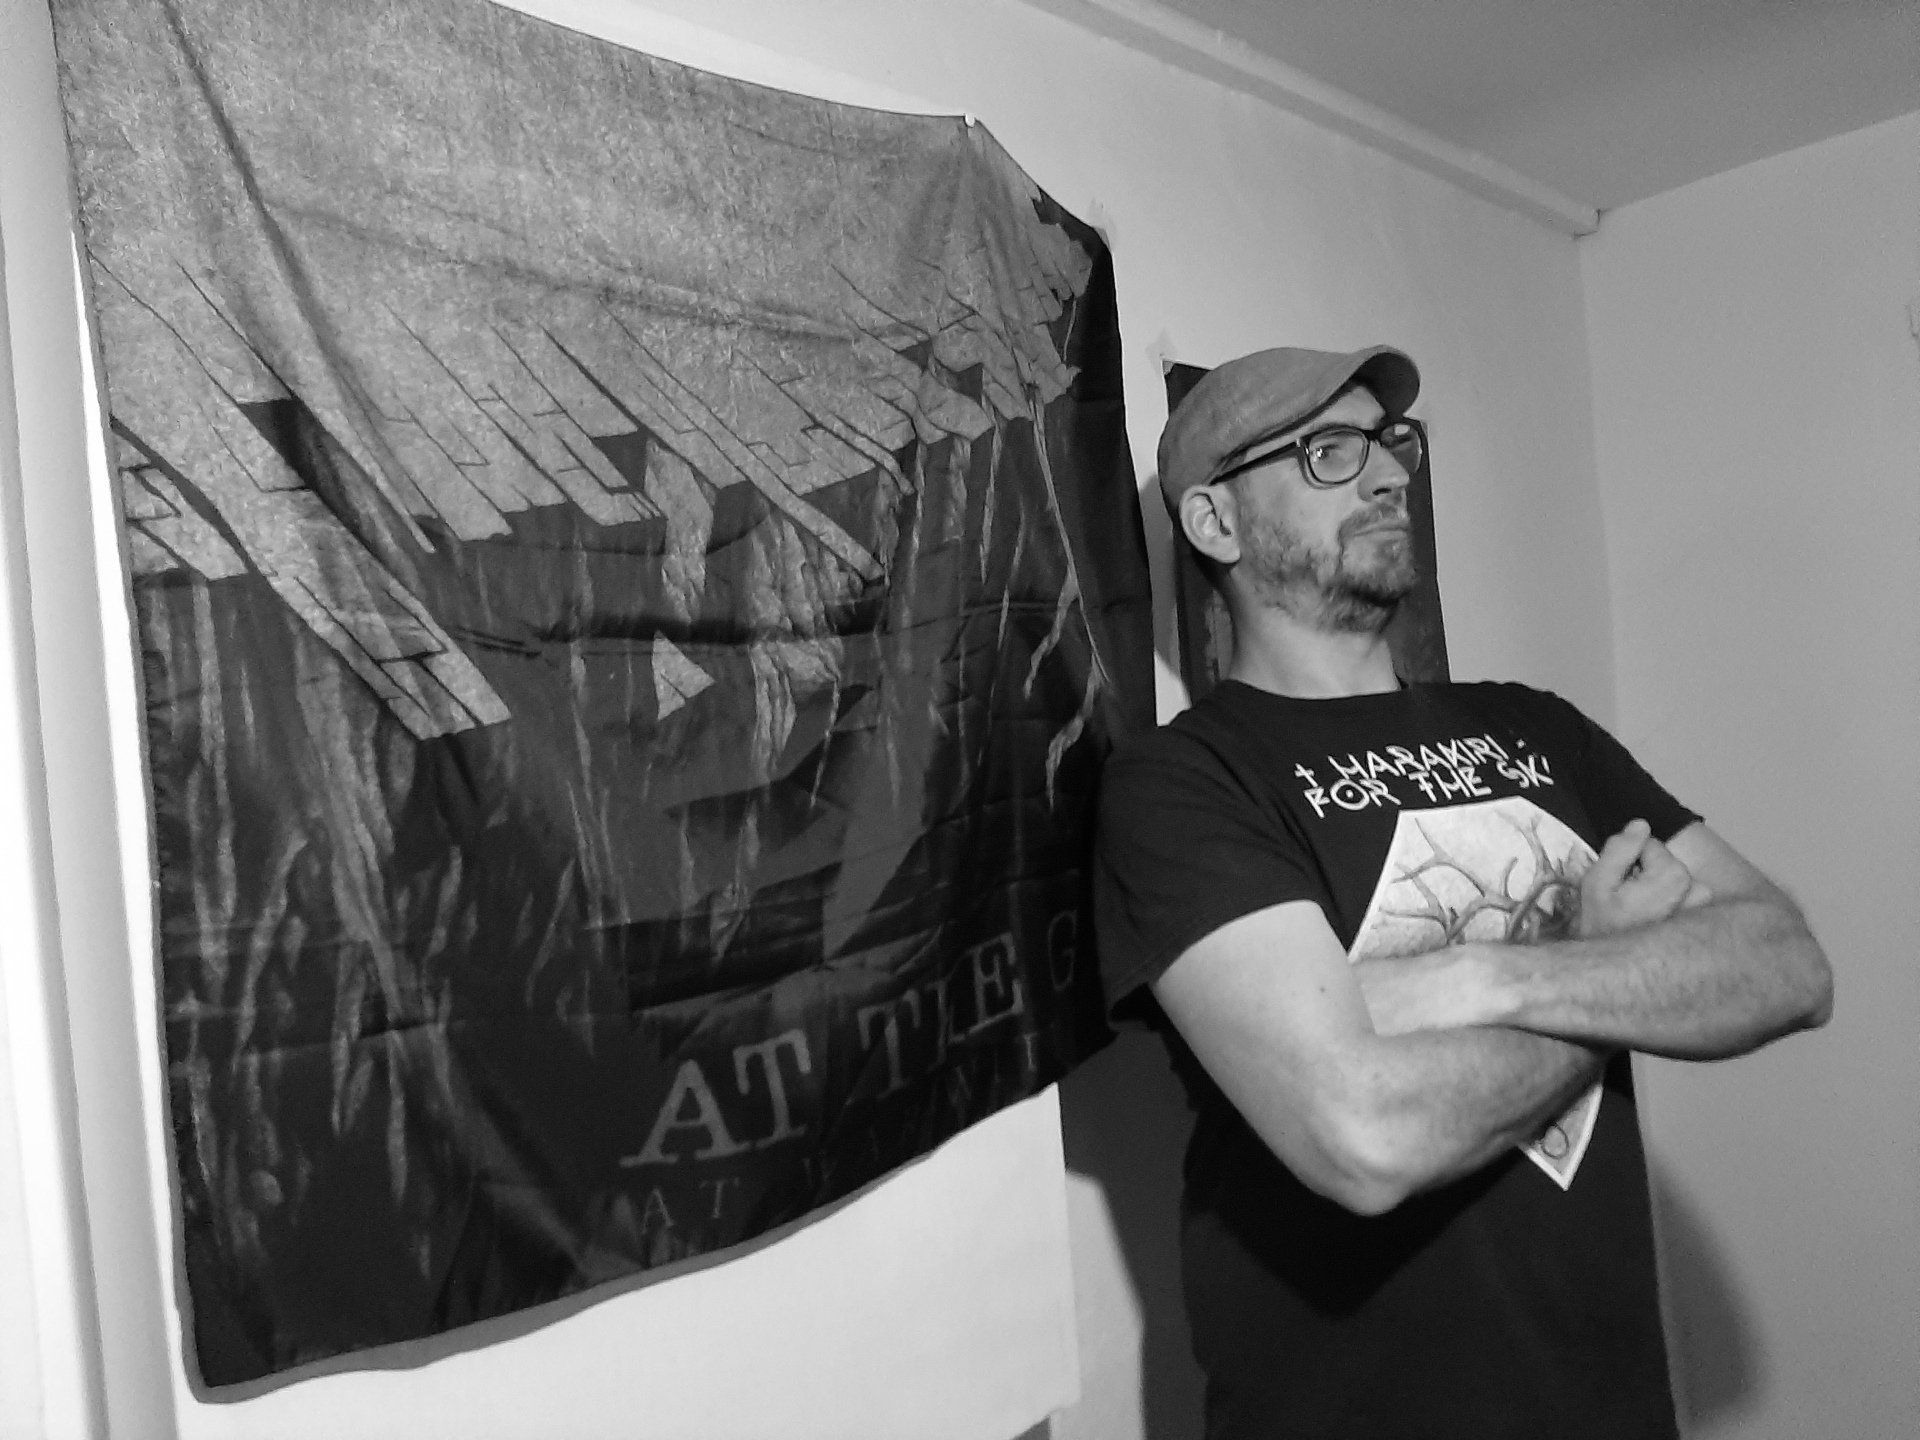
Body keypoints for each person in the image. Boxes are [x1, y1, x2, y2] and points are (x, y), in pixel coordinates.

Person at [1092, 345, 1832, 1440]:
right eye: (1330, 451)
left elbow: (1788, 965)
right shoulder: (1183, 781)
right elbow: (1365, 1138)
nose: (1391, 475)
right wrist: (1612, 973)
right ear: (1215, 521)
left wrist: (1485, 976)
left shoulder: (1538, 726)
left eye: (1389, 445)